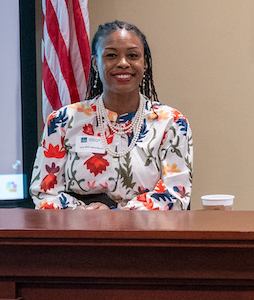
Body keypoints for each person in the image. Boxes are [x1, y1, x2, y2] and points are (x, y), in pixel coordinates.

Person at [31, 21, 192, 209]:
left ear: (144, 63)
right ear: (95, 64)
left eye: (132, 55)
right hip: (79, 232)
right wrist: (83, 213)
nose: (123, 63)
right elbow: (44, 192)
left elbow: (176, 193)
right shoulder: (62, 122)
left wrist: (118, 214)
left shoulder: (171, 122)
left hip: (146, 234)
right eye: (111, 55)